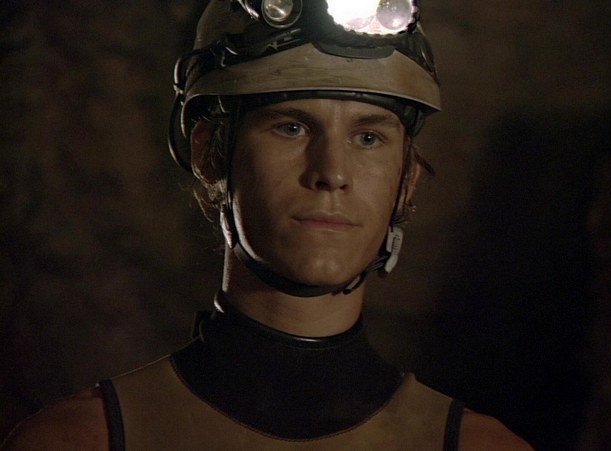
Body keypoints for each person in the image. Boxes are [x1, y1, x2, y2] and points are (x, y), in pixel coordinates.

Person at [2, 1, 531, 450]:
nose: (332, 173)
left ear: (407, 179)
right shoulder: (78, 441)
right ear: (209, 155)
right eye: (291, 127)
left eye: (368, 137)